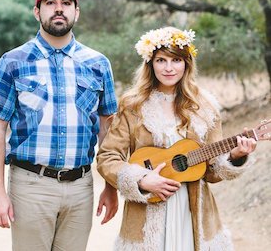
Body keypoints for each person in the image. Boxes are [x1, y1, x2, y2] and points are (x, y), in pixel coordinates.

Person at [0, 0, 118, 251]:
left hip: (81, 187)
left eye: (66, 2)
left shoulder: (98, 64)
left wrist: (111, 185)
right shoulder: (13, 62)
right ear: (38, 11)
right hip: (31, 186)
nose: (59, 8)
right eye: (50, 2)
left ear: (76, 12)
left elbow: (108, 129)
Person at [97, 26, 257, 250]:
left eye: (176, 60)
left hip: (193, 212)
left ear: (187, 63)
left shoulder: (205, 107)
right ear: (150, 63)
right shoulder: (133, 106)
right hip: (146, 214)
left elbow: (212, 171)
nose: (169, 68)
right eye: (161, 60)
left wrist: (236, 156)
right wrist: (141, 179)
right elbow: (108, 156)